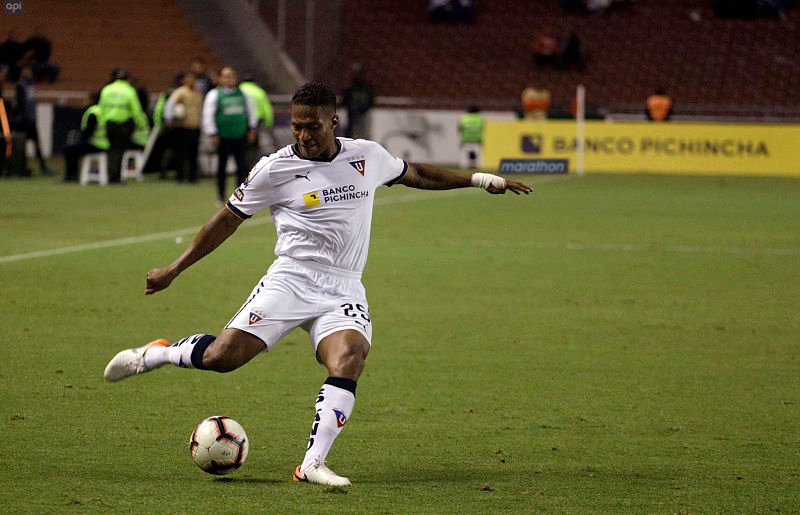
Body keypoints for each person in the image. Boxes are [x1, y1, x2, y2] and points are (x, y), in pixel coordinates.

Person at [103, 81, 531, 487]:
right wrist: (174, 269)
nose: (303, 134)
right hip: (291, 279)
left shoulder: (367, 156)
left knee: (350, 358)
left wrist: (480, 179)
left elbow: (416, 173)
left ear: (333, 122)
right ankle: (158, 354)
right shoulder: (275, 168)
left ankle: (313, 463)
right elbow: (226, 220)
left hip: (343, 287)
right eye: (296, 125)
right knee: (223, 358)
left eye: (312, 125)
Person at [202, 66, 258, 202]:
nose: (229, 79)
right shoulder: (214, 94)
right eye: (225, 76)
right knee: (222, 167)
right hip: (223, 137)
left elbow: (251, 112)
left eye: (231, 76)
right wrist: (212, 133)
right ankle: (221, 196)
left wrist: (252, 129)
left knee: (242, 167)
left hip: (240, 136)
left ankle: (240, 196)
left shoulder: (244, 94)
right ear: (220, 79)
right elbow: (208, 115)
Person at [98, 68, 149, 183]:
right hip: (123, 124)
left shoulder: (107, 89)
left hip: (109, 124)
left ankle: (109, 174)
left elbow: (101, 108)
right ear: (127, 78)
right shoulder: (129, 91)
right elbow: (136, 111)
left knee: (111, 149)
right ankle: (116, 177)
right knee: (120, 151)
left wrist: (102, 123)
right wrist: (141, 124)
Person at [11, 65, 54, 176]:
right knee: (22, 144)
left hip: (32, 120)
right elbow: (19, 104)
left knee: (37, 144)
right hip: (24, 121)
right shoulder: (20, 85)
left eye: (29, 71)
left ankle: (43, 167)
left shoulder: (31, 85)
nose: (29, 73)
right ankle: (22, 167)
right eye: (26, 71)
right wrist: (21, 118)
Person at [164, 71, 203, 183]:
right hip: (182, 127)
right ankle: (180, 176)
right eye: (189, 79)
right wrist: (169, 119)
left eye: (193, 79)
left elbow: (201, 110)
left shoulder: (198, 94)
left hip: (195, 127)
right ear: (184, 80)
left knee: (193, 154)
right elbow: (170, 105)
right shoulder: (180, 92)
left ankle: (192, 176)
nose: (191, 82)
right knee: (180, 153)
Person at [62, 92, 108, 182]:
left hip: (95, 144)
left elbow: (89, 131)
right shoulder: (104, 110)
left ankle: (71, 176)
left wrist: (81, 140)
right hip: (105, 143)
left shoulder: (93, 112)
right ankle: (72, 176)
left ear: (92, 100)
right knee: (73, 149)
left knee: (68, 149)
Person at [239, 73, 277, 167]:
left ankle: (241, 166)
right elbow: (267, 108)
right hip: (257, 121)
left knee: (241, 145)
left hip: (241, 121)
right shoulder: (259, 91)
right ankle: (251, 166)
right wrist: (269, 122)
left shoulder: (239, 90)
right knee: (253, 146)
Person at [341, 63, 374, 139]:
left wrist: (363, 109)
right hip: (351, 116)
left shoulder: (366, 89)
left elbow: (371, 102)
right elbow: (345, 101)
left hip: (363, 115)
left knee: (362, 132)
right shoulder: (350, 89)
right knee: (351, 132)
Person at [458, 105, 484, 169]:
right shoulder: (480, 118)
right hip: (477, 140)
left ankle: (464, 166)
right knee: (478, 155)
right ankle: (478, 166)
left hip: (466, 140)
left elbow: (460, 129)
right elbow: (482, 128)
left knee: (464, 155)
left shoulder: (464, 118)